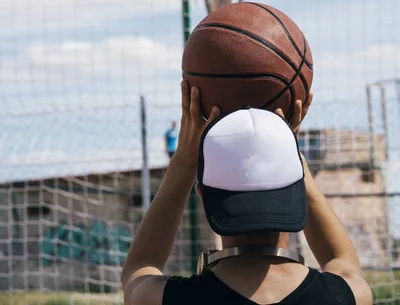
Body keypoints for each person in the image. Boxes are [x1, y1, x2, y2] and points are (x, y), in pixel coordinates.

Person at [121, 82, 373, 305]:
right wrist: (290, 154)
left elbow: (138, 270)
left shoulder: (169, 298)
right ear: (299, 189)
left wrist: (184, 161)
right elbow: (343, 261)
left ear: (202, 195)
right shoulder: (348, 295)